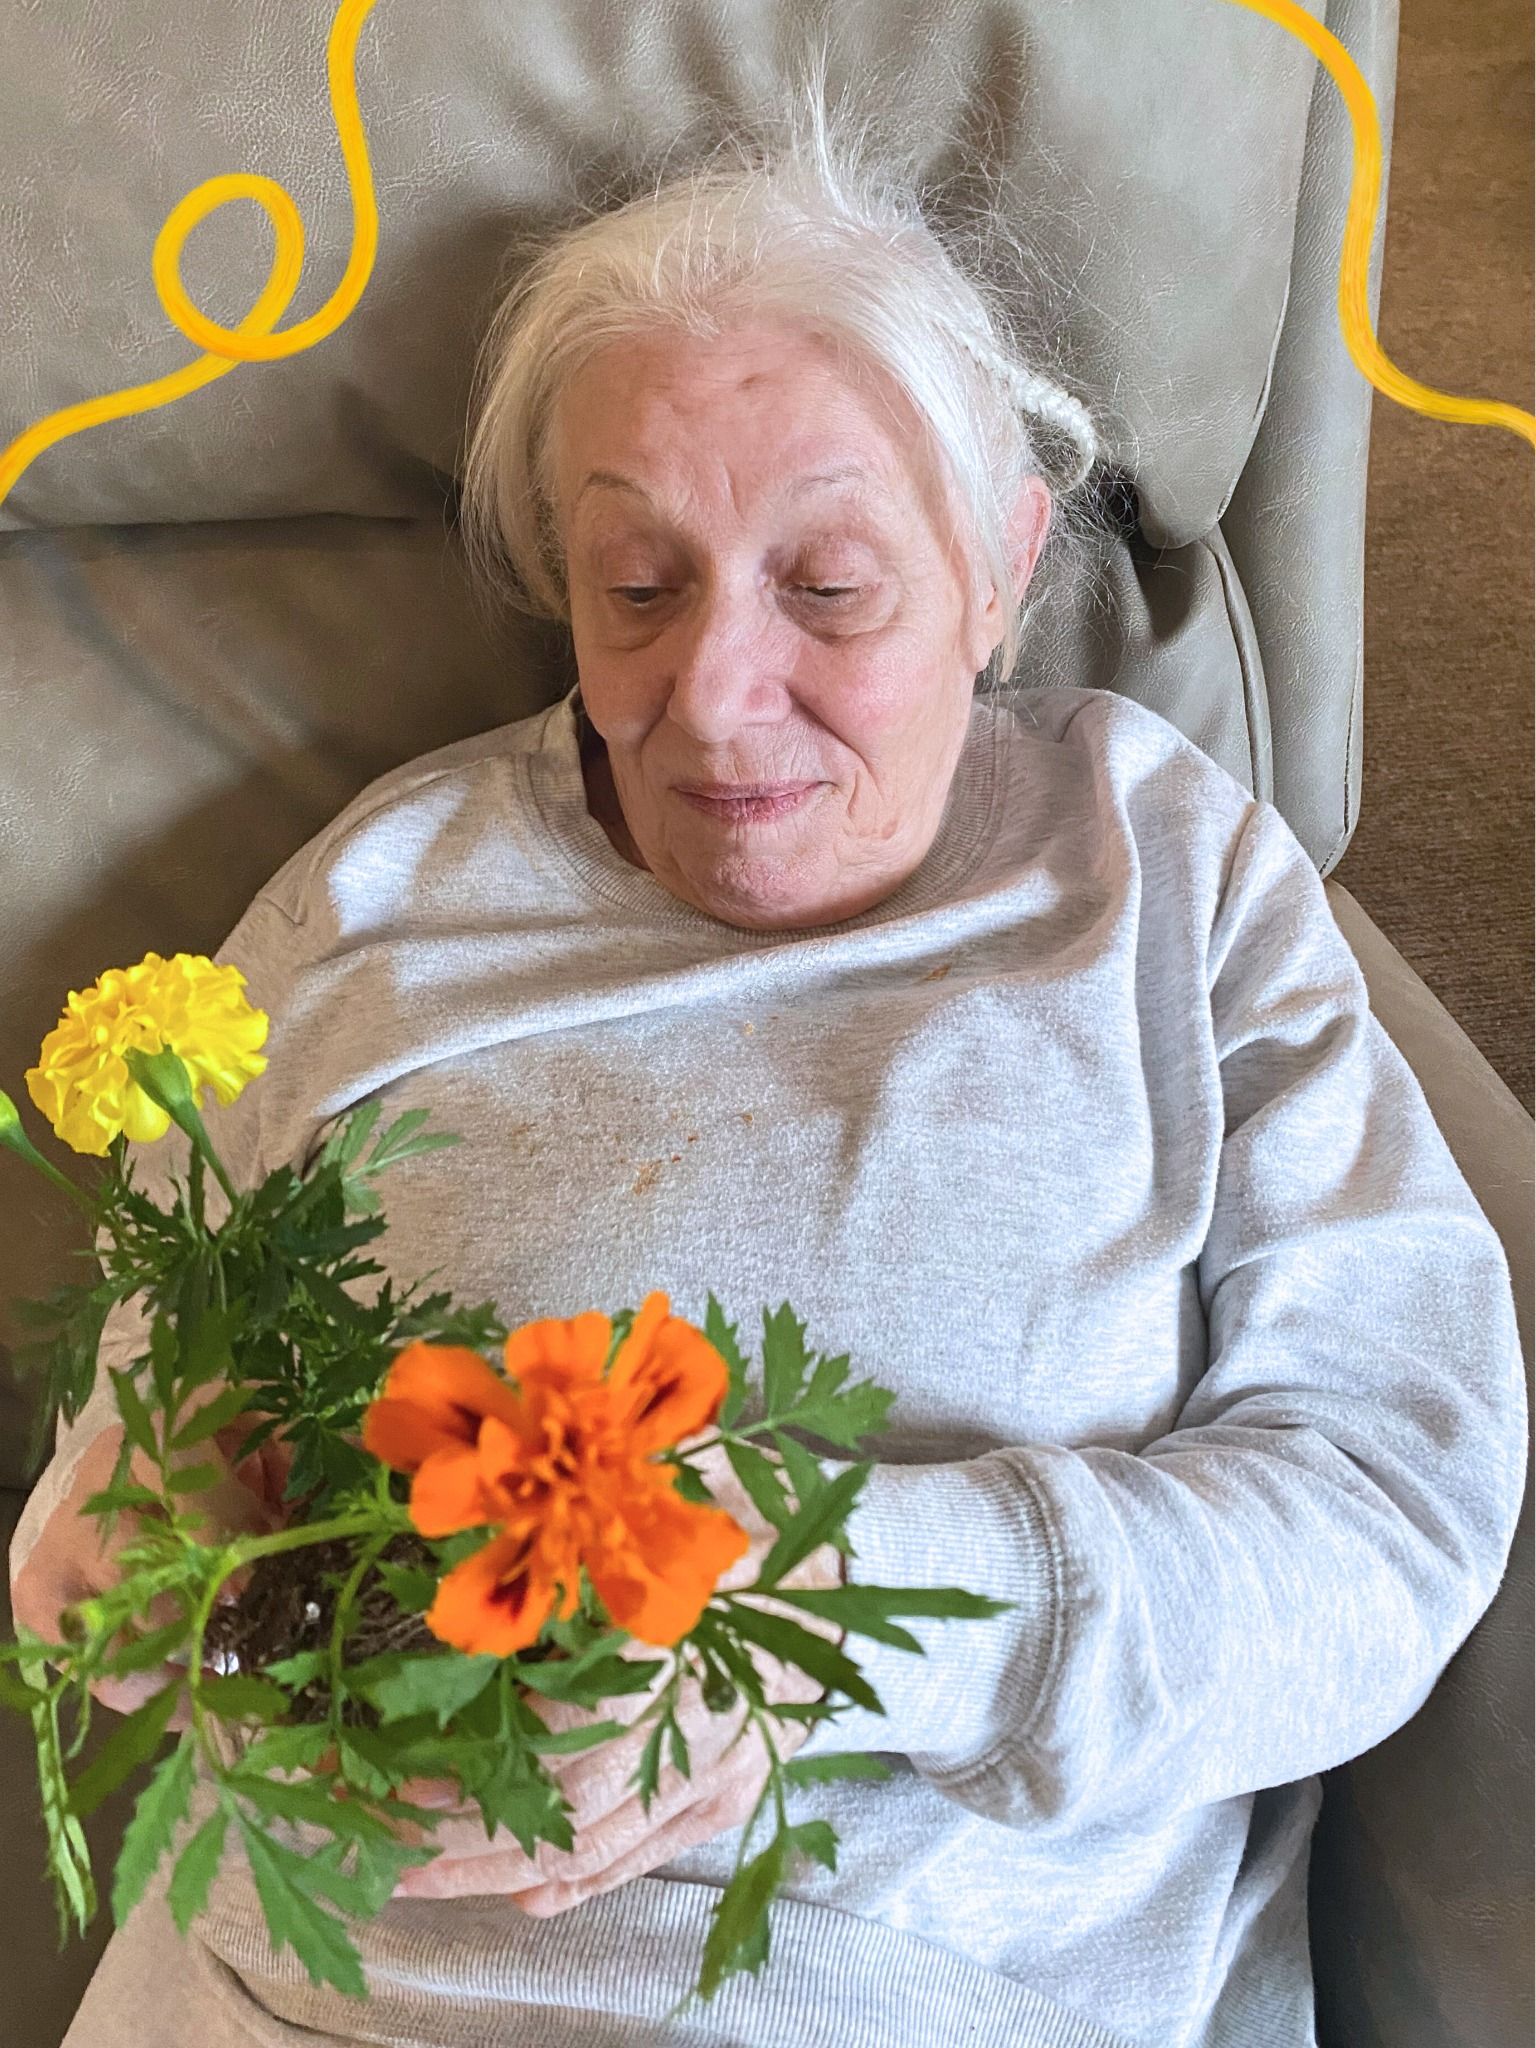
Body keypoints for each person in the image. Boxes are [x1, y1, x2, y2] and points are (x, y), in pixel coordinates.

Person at [9, 87, 1527, 2048]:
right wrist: (138, 1535)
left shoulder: (1171, 878)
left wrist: (812, 1601)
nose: (717, 702)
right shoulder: (372, 897)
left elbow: (1388, 1516)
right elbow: (153, 1426)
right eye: (638, 590)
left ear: (1000, 569)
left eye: (829, 589)